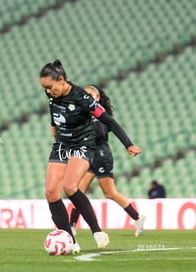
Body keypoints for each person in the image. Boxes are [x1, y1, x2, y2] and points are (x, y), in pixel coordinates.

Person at [39, 59, 142, 253]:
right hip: (62, 144)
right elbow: (54, 112)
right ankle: (69, 240)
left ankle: (97, 231)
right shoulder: (52, 94)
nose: (47, 91)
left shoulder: (82, 97)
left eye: (50, 86)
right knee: (51, 193)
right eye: (44, 88)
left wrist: (128, 144)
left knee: (71, 187)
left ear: (61, 80)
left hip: (82, 144)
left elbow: (109, 121)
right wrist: (54, 128)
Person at [68, 85, 146, 237]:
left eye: (90, 94)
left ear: (97, 98)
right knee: (78, 191)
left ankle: (137, 217)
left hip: (101, 155)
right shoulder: (82, 113)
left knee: (109, 193)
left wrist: (128, 145)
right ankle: (71, 225)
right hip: (88, 155)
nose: (86, 96)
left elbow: (107, 129)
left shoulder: (99, 113)